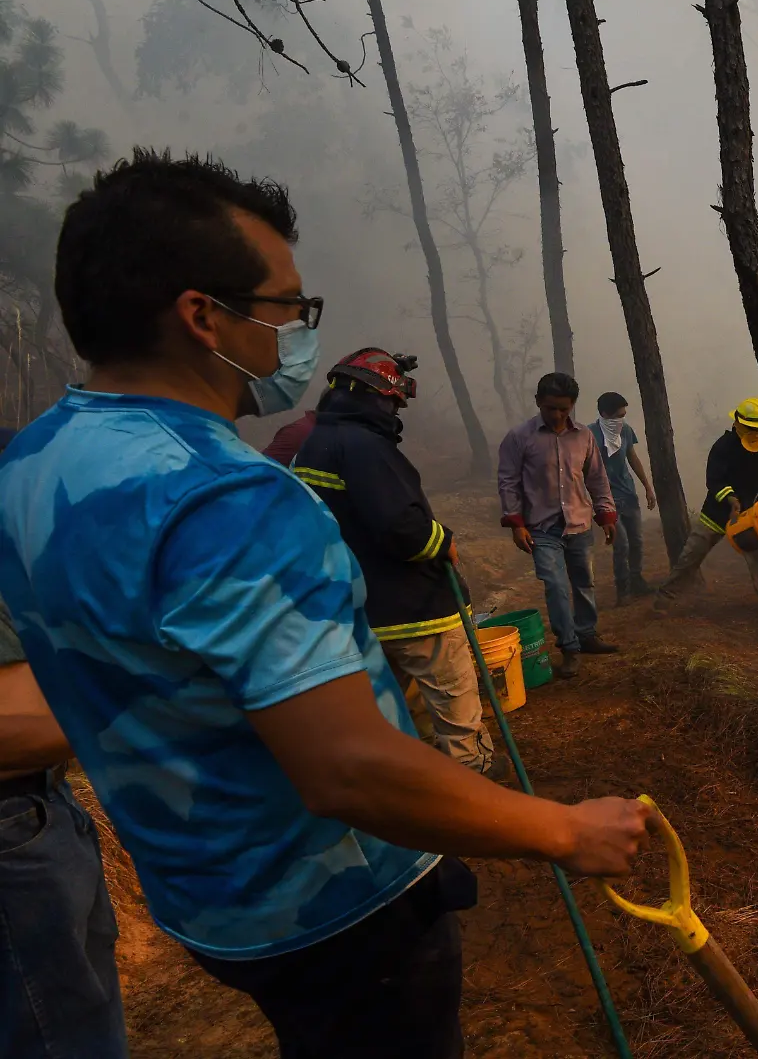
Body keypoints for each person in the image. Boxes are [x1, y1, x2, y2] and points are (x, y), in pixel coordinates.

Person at [0, 149, 651, 1058]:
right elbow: (346, 767)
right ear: (204, 316)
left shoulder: (30, 465)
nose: (297, 331)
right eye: (286, 307)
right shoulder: (227, 498)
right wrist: (563, 828)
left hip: (206, 899)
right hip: (340, 908)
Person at [292, 348, 497, 775]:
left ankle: (420, 779)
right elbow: (404, 527)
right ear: (380, 398)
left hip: (362, 609)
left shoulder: (313, 445)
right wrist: (444, 543)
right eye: (396, 402)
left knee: (392, 708)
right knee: (454, 701)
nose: (396, 412)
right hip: (419, 610)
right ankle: (475, 775)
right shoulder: (365, 447)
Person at [0, 597, 127, 1058]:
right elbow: (12, 728)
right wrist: (151, 701)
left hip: (37, 807)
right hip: (15, 833)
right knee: (61, 1035)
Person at [498, 373, 620, 676]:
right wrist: (516, 523)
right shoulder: (519, 437)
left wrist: (605, 514)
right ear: (539, 402)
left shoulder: (584, 436)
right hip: (541, 526)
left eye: (564, 409)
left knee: (584, 582)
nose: (557, 415)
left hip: (579, 522)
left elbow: (596, 477)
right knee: (555, 586)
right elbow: (508, 482)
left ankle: (587, 634)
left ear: (572, 406)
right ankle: (569, 646)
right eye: (551, 408)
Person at [654, 397, 758, 614]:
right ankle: (664, 600)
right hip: (716, 514)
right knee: (690, 557)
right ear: (739, 424)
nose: (757, 434)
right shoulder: (723, 447)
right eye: (753, 429)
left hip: (749, 516)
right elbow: (714, 480)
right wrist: (730, 498)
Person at [589, 391, 658, 604]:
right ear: (603, 414)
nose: (621, 420)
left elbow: (632, 457)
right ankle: (623, 589)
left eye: (623, 415)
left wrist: (647, 486)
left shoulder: (625, 431)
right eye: (617, 416)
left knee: (637, 540)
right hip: (607, 499)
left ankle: (637, 581)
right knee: (623, 544)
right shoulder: (589, 435)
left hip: (628, 494)